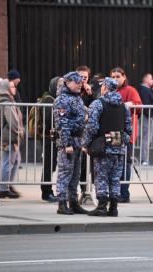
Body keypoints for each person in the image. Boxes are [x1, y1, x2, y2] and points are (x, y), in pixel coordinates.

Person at [82, 77, 132, 217]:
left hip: (102, 147)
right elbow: (129, 130)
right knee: (115, 178)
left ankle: (102, 206)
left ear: (104, 87)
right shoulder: (124, 106)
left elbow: (92, 127)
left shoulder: (98, 104)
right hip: (119, 149)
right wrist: (121, 140)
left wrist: (86, 144)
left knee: (101, 177)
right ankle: (113, 208)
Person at [53, 71, 88, 215]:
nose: (80, 85)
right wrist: (66, 144)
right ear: (67, 82)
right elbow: (62, 124)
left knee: (75, 174)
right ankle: (62, 204)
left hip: (78, 140)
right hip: (69, 141)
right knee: (65, 173)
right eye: (76, 83)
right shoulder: (62, 99)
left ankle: (73, 202)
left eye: (81, 83)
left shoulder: (77, 98)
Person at [111, 67, 142, 203]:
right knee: (113, 164)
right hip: (112, 132)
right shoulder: (110, 90)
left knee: (124, 163)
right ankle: (114, 192)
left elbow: (138, 106)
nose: (116, 79)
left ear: (124, 77)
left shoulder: (130, 90)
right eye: (113, 76)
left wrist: (128, 104)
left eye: (118, 76)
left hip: (125, 134)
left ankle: (124, 193)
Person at [0, 79, 24, 199]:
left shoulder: (6, 100)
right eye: (11, 87)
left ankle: (7, 186)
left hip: (9, 135)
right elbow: (12, 121)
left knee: (15, 160)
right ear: (6, 89)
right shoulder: (6, 102)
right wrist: (20, 131)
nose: (14, 89)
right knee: (8, 162)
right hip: (9, 136)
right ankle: (4, 188)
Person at [38, 77, 63, 202]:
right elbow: (48, 120)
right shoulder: (48, 99)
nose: (61, 88)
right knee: (49, 165)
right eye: (59, 85)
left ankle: (49, 190)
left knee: (53, 165)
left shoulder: (60, 100)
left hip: (57, 138)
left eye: (63, 85)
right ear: (53, 85)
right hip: (50, 137)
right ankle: (46, 192)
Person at [76, 65, 95, 202]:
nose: (83, 80)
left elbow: (95, 106)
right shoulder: (72, 88)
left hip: (86, 131)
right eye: (80, 77)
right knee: (74, 163)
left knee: (86, 163)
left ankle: (85, 190)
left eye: (85, 77)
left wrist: (91, 93)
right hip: (75, 130)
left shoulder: (89, 90)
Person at [138, 73, 153, 166]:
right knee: (146, 138)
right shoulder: (144, 90)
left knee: (147, 138)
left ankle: (144, 159)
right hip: (146, 116)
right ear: (146, 80)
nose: (152, 80)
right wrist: (150, 115)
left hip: (147, 115)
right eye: (151, 78)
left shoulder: (146, 89)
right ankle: (144, 159)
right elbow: (146, 103)